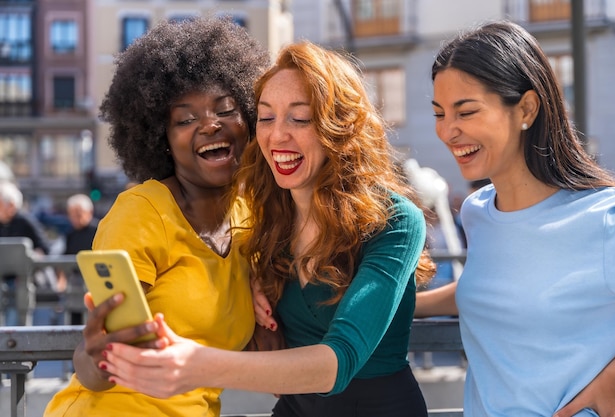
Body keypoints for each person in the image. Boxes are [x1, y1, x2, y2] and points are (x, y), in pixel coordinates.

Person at [96, 41, 436, 417]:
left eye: (300, 118)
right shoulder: (265, 219)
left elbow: (336, 364)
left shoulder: (396, 219)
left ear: (339, 126)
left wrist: (196, 365)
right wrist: (253, 283)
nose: (277, 135)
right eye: (267, 117)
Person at [44, 16, 270, 417]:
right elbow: (92, 358)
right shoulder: (142, 212)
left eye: (226, 110)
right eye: (184, 120)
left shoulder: (251, 218)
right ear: (160, 139)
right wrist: (97, 359)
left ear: (249, 121)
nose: (209, 124)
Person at [414, 20, 615, 417]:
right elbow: (498, 290)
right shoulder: (478, 213)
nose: (448, 131)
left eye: (466, 111)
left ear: (526, 108)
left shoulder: (607, 219)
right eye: (440, 113)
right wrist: (392, 304)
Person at [0, 180, 52, 325]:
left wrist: (33, 257)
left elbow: (45, 248)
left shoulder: (25, 221)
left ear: (11, 205)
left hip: (22, 282)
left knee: (15, 320)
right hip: (3, 279)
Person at [55, 193, 99, 324]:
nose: (75, 218)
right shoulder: (70, 234)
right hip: (75, 282)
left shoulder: (99, 230)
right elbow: (63, 258)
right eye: (72, 214)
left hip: (94, 281)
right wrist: (61, 281)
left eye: (79, 213)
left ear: (89, 212)